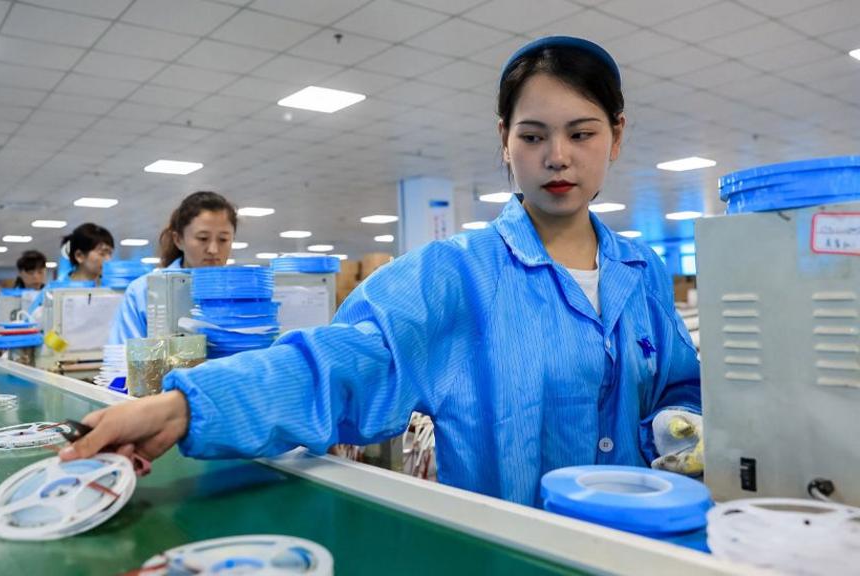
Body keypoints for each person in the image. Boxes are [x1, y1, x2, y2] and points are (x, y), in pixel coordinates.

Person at [61, 37, 702, 507]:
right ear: (504, 140)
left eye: (581, 134)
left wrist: (681, 427)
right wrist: (184, 407)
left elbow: (679, 388)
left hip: (633, 547)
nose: (556, 157)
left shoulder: (641, 272)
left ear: (616, 136)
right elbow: (338, 364)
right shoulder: (457, 276)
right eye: (532, 136)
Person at [109, 191, 237, 345]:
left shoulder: (241, 292)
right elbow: (124, 356)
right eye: (202, 238)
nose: (213, 249)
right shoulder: (143, 291)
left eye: (223, 239)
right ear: (178, 239)